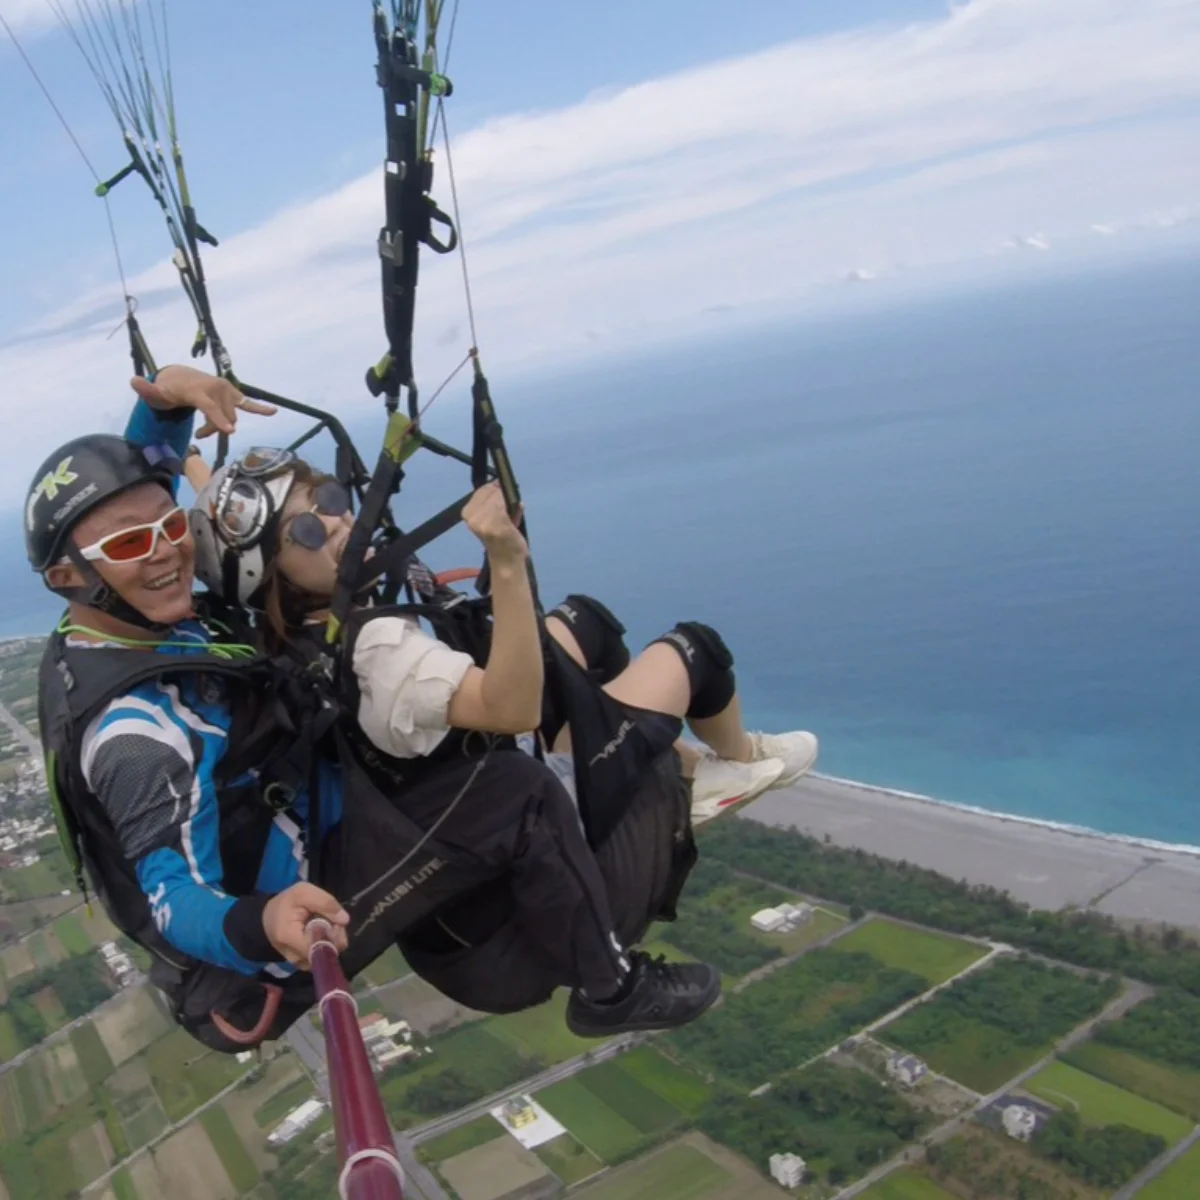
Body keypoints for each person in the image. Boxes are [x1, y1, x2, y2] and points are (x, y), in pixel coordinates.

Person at [29, 365, 720, 1046]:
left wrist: (170, 407)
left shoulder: (135, 612)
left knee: (566, 649)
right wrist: (262, 922)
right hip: (288, 911)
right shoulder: (134, 735)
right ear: (69, 579)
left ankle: (665, 760)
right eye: (131, 545)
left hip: (309, 817)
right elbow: (172, 896)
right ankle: (611, 990)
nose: (166, 553)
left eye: (174, 526)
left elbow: (140, 504)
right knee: (515, 790)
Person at [190, 438, 820, 1015]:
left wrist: (192, 457)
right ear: (271, 574)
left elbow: (233, 549)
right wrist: (507, 562)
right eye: (304, 527)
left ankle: (686, 767)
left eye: (327, 497)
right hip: (518, 925)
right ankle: (623, 967)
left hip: (459, 901)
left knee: (585, 626)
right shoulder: (377, 651)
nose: (332, 518)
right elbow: (512, 709)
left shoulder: (300, 634)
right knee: (696, 652)